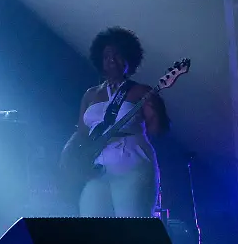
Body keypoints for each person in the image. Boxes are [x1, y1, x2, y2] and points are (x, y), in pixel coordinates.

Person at [67, 27, 169, 218]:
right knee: (91, 221)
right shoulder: (90, 95)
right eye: (106, 56)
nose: (111, 60)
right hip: (98, 169)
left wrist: (155, 111)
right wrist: (70, 155)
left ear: (129, 60)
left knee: (131, 225)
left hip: (132, 164)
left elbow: (157, 130)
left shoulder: (141, 91)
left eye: (117, 55)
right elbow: (81, 133)